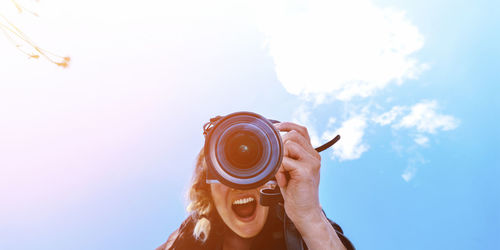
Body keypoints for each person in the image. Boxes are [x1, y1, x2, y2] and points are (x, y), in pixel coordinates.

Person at [157, 122, 355, 250]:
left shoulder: (300, 225)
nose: (239, 184)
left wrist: (310, 217)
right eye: (225, 171)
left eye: (251, 170)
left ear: (273, 176)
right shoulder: (188, 235)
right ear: (207, 188)